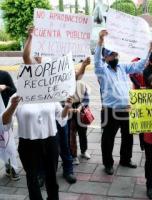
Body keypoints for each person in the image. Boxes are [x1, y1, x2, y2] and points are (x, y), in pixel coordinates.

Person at [23, 26, 83, 184]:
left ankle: (68, 169)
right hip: (41, 110)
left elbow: (73, 76)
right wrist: (30, 37)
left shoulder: (55, 61)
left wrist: (82, 66)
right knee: (44, 142)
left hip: (58, 107)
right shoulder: (34, 65)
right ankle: (42, 173)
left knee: (63, 140)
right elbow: (25, 57)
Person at [94, 30, 152, 175]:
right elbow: (96, 60)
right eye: (112, 55)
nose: (115, 56)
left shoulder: (122, 67)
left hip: (127, 109)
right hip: (110, 111)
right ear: (106, 57)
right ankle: (108, 163)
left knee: (128, 136)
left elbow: (139, 66)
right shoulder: (102, 70)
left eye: (116, 54)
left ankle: (125, 159)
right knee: (108, 139)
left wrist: (149, 50)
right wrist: (100, 41)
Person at [2, 93, 72, 199]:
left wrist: (67, 107)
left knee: (52, 176)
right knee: (32, 178)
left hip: (50, 140)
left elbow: (61, 119)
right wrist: (12, 106)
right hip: (28, 143)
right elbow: (4, 123)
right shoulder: (18, 96)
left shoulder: (49, 94)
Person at [0, 70, 19, 181]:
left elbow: (15, 92)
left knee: (6, 144)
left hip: (4, 117)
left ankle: (10, 168)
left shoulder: (4, 75)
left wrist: (5, 88)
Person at [69, 80, 91, 165]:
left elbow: (86, 99)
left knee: (83, 131)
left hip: (80, 108)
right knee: (71, 134)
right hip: (69, 108)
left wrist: (79, 108)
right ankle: (73, 156)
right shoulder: (62, 83)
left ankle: (83, 151)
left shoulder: (81, 83)